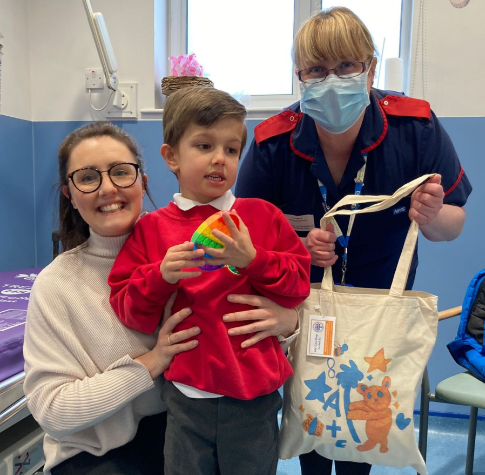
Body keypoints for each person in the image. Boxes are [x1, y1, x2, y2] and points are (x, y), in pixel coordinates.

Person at [235, 7, 472, 475]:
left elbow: (454, 224)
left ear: (370, 68)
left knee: (361, 428)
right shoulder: (272, 143)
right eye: (317, 70)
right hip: (302, 308)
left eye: (346, 66)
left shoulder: (415, 127)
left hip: (379, 304)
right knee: (309, 418)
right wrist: (296, 252)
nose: (332, 79)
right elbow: (245, 243)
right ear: (300, 76)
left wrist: (434, 215)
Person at [23, 122, 300, 475]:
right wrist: (155, 360)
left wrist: (289, 321)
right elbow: (53, 413)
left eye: (121, 173)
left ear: (143, 181)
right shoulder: (56, 285)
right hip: (102, 450)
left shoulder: (198, 246)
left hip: (184, 420)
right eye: (88, 177)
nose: (108, 188)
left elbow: (264, 295)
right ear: (70, 194)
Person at [108, 87, 311, 475]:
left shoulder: (262, 216)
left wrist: (254, 260)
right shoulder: (152, 229)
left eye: (232, 150)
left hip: (255, 396)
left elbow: (299, 284)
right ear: (171, 157)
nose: (220, 158)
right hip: (186, 396)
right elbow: (128, 308)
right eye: (203, 145)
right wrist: (161, 275)